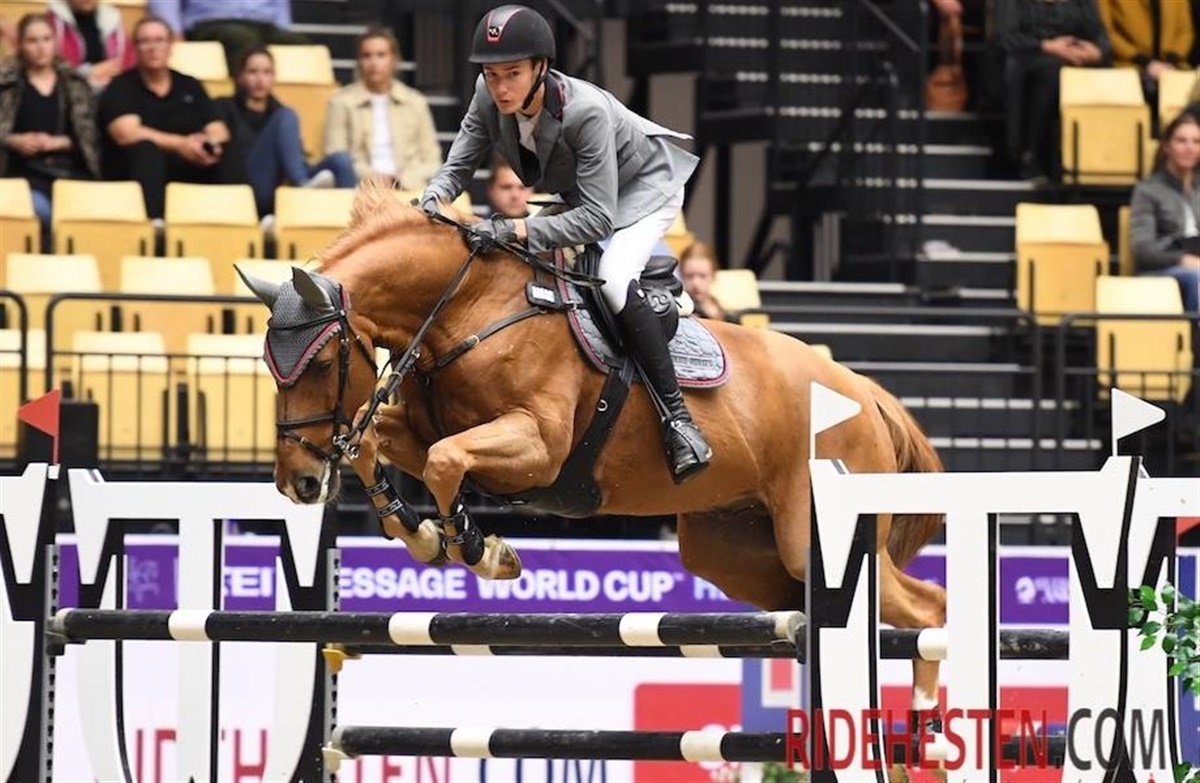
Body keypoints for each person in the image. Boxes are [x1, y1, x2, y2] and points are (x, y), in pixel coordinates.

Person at [418, 4, 711, 484]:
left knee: (611, 279)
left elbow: (597, 219)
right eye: (492, 74)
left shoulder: (584, 111)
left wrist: (515, 228)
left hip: (645, 191)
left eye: (513, 73)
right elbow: (458, 166)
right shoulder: (487, 94)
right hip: (586, 194)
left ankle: (678, 420)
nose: (500, 87)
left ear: (541, 67)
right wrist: (429, 203)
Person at [97, 15, 236, 219]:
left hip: (192, 164)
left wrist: (206, 143)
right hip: (137, 172)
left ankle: (236, 218)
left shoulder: (189, 84)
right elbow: (126, 133)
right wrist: (181, 144)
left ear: (171, 46)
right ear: (136, 48)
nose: (153, 48)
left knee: (227, 150)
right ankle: (154, 224)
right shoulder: (121, 86)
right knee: (146, 150)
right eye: (145, 41)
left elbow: (218, 129)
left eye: (159, 40)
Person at [214, 45, 355, 218]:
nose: (260, 79)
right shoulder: (225, 107)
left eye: (267, 72)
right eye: (253, 72)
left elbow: (295, 157)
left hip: (283, 187)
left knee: (341, 160)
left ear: (274, 77)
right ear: (240, 76)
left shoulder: (278, 111)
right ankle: (302, 187)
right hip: (246, 187)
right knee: (287, 116)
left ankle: (357, 225)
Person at [0, 13, 100, 246]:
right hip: (21, 173)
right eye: (32, 41)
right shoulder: (5, 84)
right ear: (20, 45)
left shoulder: (74, 84)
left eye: (46, 39)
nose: (40, 47)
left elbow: (92, 135)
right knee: (40, 213)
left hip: (69, 171)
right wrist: (12, 140)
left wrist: (61, 142)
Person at [991, 0, 1111, 182]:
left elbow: (1101, 36)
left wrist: (1097, 51)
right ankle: (1031, 156)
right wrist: (1047, 46)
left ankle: (1096, 162)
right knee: (1052, 73)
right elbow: (1004, 38)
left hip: (1074, 59)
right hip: (1027, 57)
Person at [323, 26, 442, 191]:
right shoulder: (341, 102)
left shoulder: (415, 102)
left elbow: (433, 161)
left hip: (408, 188)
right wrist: (375, 178)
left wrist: (401, 180)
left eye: (381, 55)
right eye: (366, 56)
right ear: (358, 61)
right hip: (359, 188)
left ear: (394, 59)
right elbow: (335, 156)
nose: (374, 63)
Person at [1129, 111, 1200, 313]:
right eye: (1181, 141)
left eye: (1196, 142)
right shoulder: (1148, 191)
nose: (1189, 147)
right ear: (1167, 146)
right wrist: (1182, 260)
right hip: (1163, 270)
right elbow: (1143, 249)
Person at [147, 0, 307, 73]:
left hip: (262, 23)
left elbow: (280, 5)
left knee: (301, 46)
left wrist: (282, 29)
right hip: (210, 22)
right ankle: (245, 109)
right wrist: (172, 31)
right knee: (240, 38)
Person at [1097, 0, 1193, 115]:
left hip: (1174, 67)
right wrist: (1145, 62)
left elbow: (1186, 32)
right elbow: (1107, 33)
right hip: (1130, 66)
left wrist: (1171, 61)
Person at [46, 0, 136, 92]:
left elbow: (128, 63)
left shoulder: (112, 20)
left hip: (112, 92)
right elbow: (51, 68)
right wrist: (87, 73)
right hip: (71, 93)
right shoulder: (53, 25)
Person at [679, 242, 729, 322]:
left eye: (702, 276)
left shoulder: (725, 310)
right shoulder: (679, 310)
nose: (695, 283)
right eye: (689, 276)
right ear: (681, 275)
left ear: (713, 275)